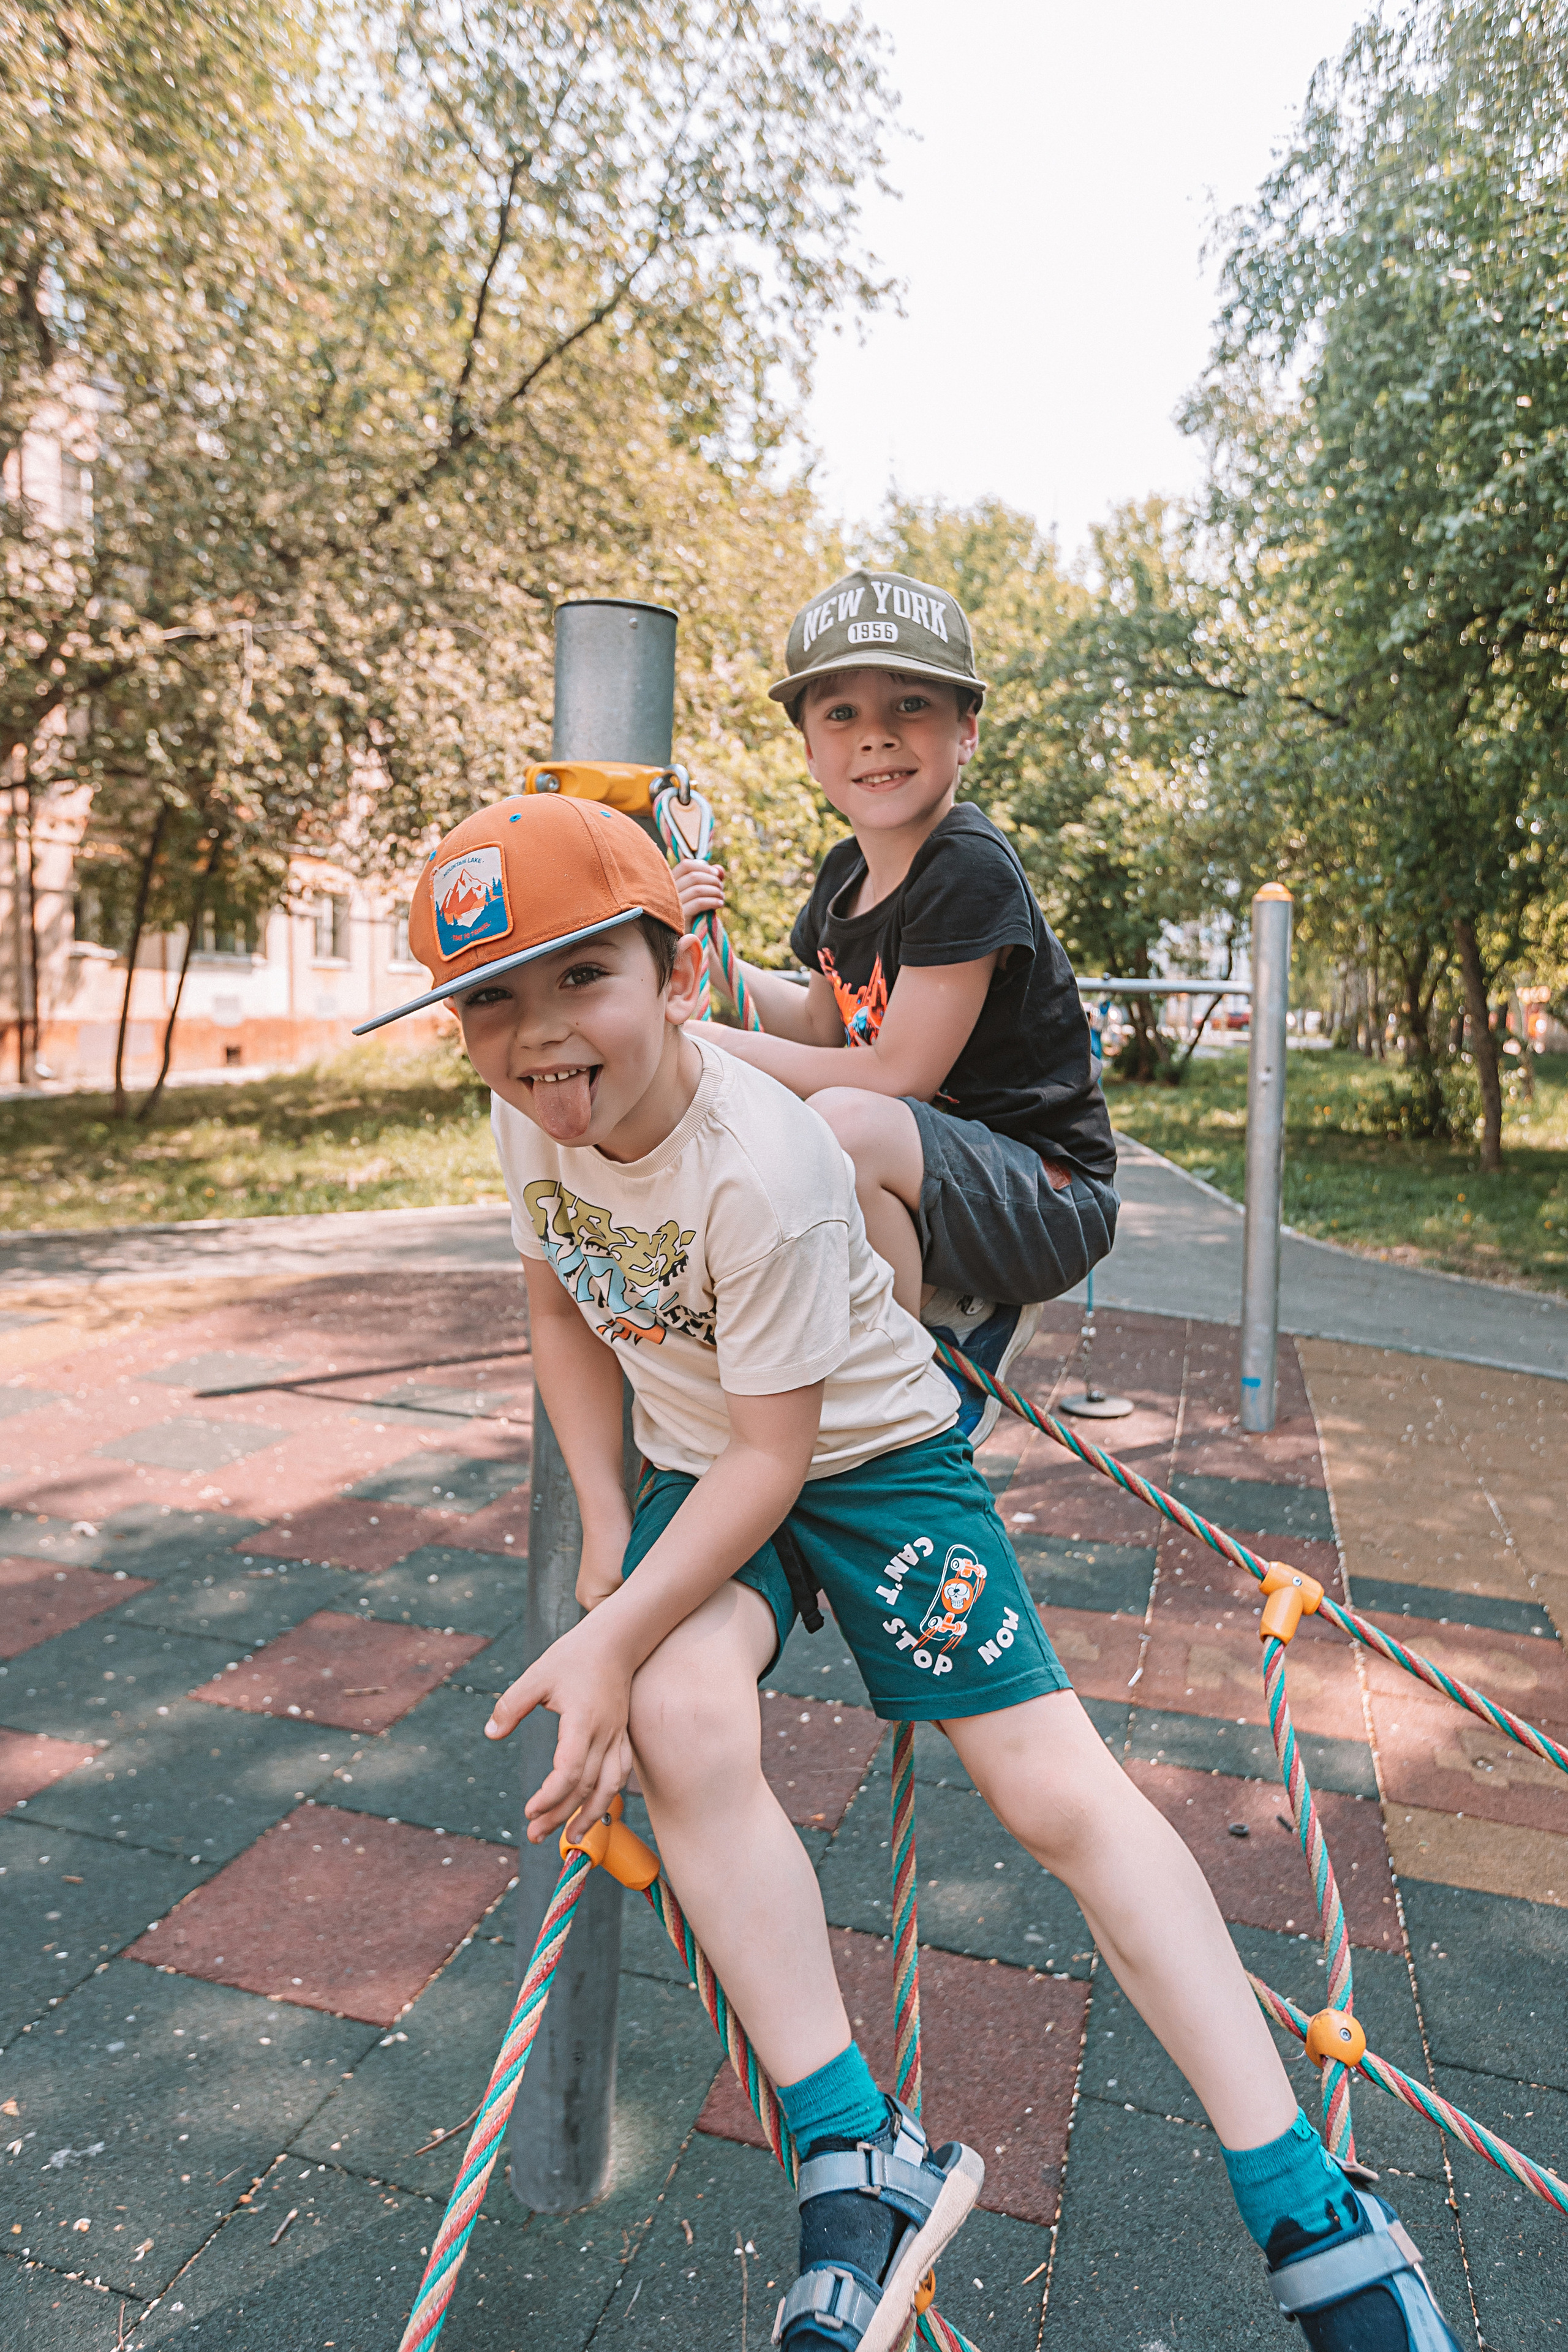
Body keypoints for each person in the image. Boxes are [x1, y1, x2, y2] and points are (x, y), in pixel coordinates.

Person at [358, 793, 1464, 2352]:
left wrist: (607, 1628)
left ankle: (1311, 2208)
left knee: (1046, 1793)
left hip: (864, 1466)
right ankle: (852, 2149)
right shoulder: (527, 1117)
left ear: (678, 975)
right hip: (700, 1463)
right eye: (490, 1002)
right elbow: (559, 1311)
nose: (539, 1040)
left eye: (578, 979)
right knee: (678, 1718)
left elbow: (776, 1462)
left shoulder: (769, 1165)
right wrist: (608, 1525)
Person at [671, 567, 1118, 1443]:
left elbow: (897, 1073)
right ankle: (904, 1327)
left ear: (967, 731)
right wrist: (706, 962)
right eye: (841, 714)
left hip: (1047, 1193)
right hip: (938, 1173)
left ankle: (902, 1379)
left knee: (844, 1120)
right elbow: (812, 1027)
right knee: (821, 1122)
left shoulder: (967, 867)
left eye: (910, 705)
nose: (875, 737)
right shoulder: (844, 876)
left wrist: (700, 1042)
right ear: (807, 747)